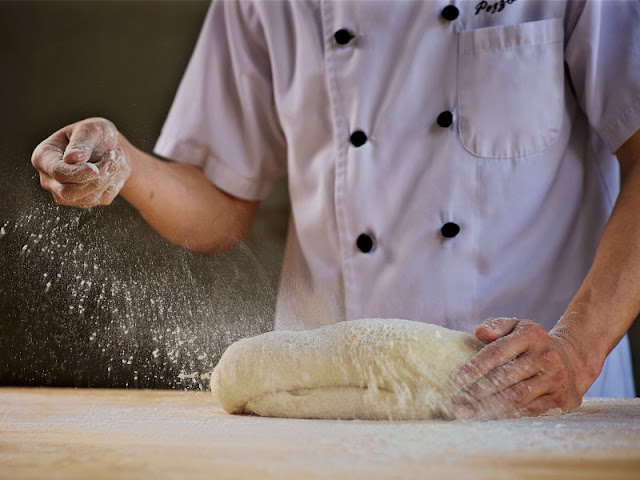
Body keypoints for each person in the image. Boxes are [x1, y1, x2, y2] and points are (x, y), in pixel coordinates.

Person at [31, 0, 640, 419]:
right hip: (321, 409)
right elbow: (220, 203)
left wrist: (577, 349)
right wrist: (124, 166)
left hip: (534, 398)